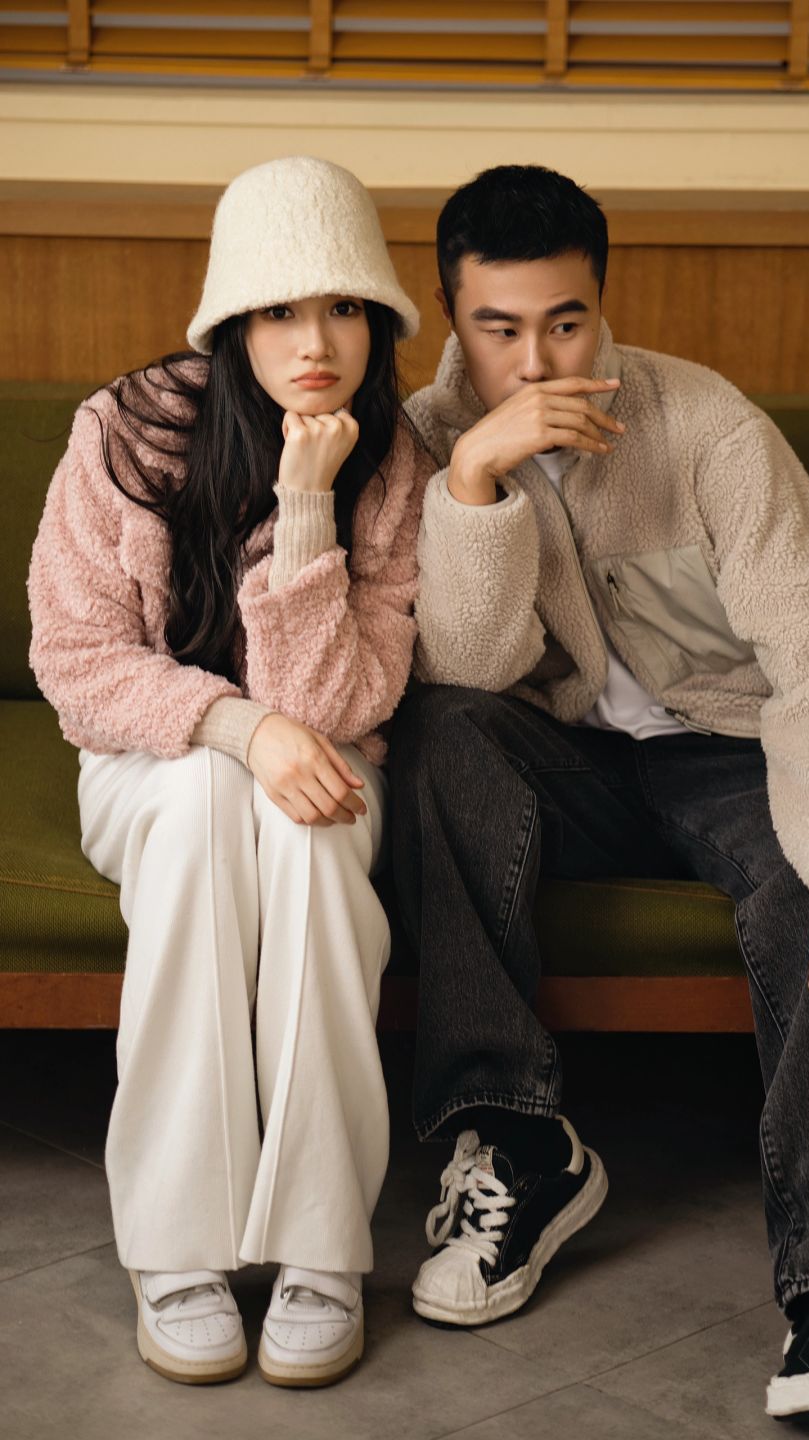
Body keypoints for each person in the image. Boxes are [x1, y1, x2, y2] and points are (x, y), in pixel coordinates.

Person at [389, 164, 809, 1422]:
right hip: (555, 763)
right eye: (499, 329)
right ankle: (520, 1147)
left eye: (566, 322)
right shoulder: (423, 441)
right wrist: (475, 481)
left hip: (734, 753)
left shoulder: (706, 425)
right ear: (449, 316)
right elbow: (463, 671)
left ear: (603, 302)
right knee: (437, 732)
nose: (536, 362)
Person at [28, 156, 431, 1389]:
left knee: (308, 833)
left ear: (378, 319)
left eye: (344, 307)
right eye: (280, 309)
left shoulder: (394, 462)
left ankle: (320, 1249)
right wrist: (237, 730)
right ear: (233, 320)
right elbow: (77, 660)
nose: (315, 342)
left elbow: (342, 705)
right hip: (152, 764)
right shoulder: (126, 430)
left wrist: (306, 509)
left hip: (323, 764)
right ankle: (178, 1246)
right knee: (210, 798)